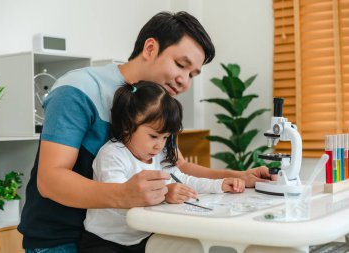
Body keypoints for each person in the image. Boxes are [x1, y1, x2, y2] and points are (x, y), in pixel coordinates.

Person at [18, 11, 271, 253]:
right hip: (62, 239)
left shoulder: (158, 105)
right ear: (150, 48)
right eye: (181, 65)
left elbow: (178, 167)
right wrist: (124, 195)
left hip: (131, 234)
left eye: (192, 74)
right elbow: (50, 180)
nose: (185, 81)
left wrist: (238, 176)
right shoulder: (79, 91)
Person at [79, 81, 246, 253]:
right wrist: (165, 194)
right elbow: (120, 199)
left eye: (165, 137)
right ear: (127, 126)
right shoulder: (112, 155)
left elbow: (182, 179)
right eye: (153, 136)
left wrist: (219, 184)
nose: (159, 145)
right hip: (104, 242)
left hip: (143, 237)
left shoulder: (160, 154)